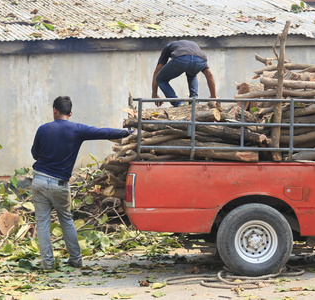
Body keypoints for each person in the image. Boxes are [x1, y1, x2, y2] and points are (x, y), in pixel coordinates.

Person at [31, 96, 131, 270]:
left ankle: (47, 264)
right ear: (70, 113)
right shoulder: (77, 129)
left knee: (42, 223)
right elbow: (104, 132)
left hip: (39, 180)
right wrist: (128, 133)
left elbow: (35, 154)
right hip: (60, 184)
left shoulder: (43, 129)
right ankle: (76, 261)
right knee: (66, 220)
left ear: (54, 110)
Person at [151, 40, 217, 107]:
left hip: (181, 59)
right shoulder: (194, 47)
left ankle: (178, 103)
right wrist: (213, 96)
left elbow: (157, 71)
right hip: (200, 60)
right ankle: (194, 102)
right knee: (192, 74)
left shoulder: (168, 47)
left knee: (160, 79)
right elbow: (209, 75)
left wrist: (154, 94)